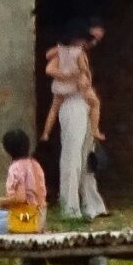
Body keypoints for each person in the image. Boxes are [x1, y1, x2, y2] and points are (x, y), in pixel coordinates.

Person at [42, 19, 107, 220]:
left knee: (87, 156)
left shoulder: (74, 54)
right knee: (72, 157)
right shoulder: (65, 54)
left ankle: (92, 205)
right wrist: (72, 75)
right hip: (72, 104)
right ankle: (71, 207)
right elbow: (52, 68)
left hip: (82, 102)